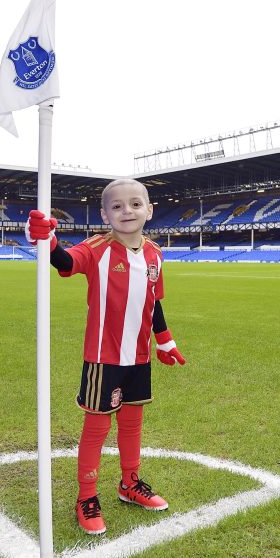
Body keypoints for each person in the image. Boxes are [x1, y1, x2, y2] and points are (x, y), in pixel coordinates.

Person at [26, 178, 186, 535]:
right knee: (97, 428)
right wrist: (45, 238)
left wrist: (165, 341)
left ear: (149, 210)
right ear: (104, 213)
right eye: (116, 206)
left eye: (134, 204)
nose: (126, 211)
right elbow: (63, 260)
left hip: (139, 358)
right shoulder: (97, 247)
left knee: (132, 424)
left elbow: (153, 302)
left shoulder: (155, 253)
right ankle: (86, 497)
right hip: (103, 357)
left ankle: (130, 483)